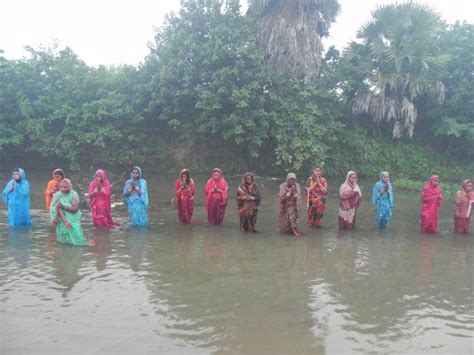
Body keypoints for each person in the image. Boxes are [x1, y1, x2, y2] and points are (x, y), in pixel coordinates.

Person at [50, 179, 89, 246]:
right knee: (64, 241)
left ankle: (79, 248)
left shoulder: (73, 194)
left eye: (65, 187)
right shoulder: (57, 195)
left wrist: (63, 207)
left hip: (72, 218)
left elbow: (75, 209)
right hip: (61, 220)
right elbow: (52, 207)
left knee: (77, 237)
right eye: (61, 187)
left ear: (70, 187)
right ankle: (66, 251)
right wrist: (54, 218)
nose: (63, 189)